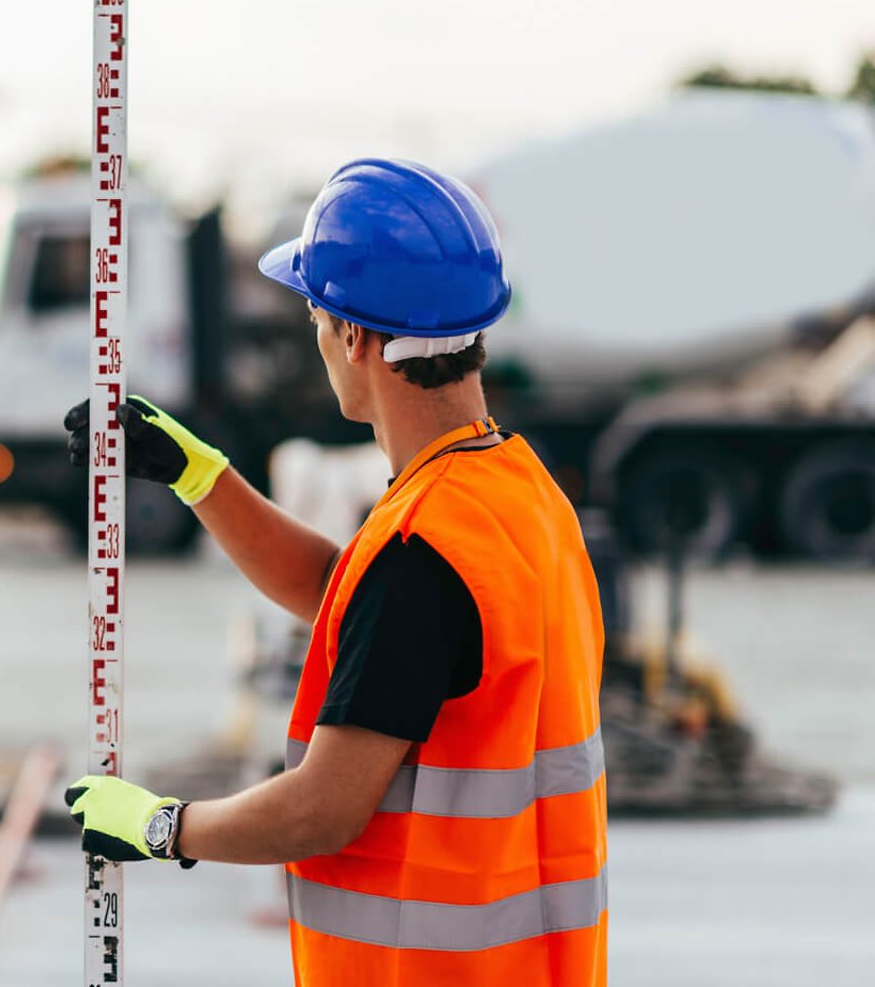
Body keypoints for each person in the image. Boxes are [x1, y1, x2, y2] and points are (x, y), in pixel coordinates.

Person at [63, 159, 607, 985]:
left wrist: (163, 828)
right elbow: (348, 602)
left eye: (317, 319)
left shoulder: (424, 554)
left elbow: (321, 810)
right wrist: (201, 475)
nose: (318, 340)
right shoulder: (515, 498)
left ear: (356, 337)